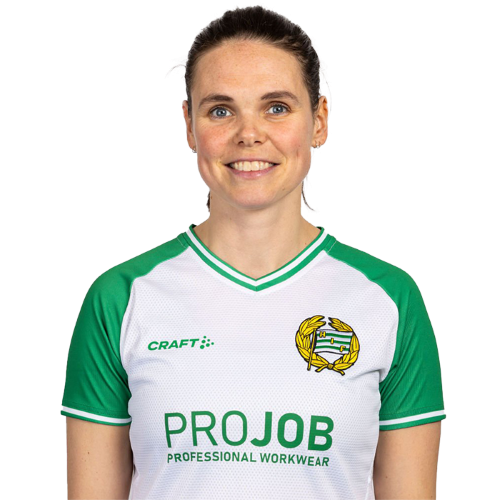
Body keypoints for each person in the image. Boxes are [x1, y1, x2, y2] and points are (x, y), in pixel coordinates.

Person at [62, 3, 445, 499]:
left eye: (277, 107)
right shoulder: (120, 297)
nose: (249, 134)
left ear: (319, 121)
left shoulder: (389, 299)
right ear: (189, 125)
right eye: (221, 110)